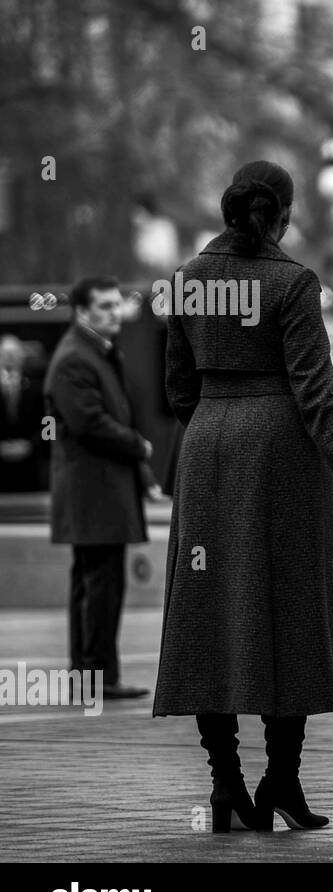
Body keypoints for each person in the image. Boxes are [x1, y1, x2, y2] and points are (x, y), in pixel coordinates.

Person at [152, 161, 333, 833]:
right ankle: (282, 781)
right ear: (284, 216)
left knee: (208, 618)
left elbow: (177, 389)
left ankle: (225, 787)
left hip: (207, 445)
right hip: (280, 453)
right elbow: (313, 390)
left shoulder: (187, 280)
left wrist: (212, 423)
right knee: (290, 611)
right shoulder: (292, 282)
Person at [45, 277, 157, 701]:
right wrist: (138, 445)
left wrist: (142, 473)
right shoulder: (77, 357)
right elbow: (88, 422)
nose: (115, 313)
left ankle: (90, 674)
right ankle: (97, 677)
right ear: (81, 311)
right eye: (105, 306)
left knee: (95, 584)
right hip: (94, 493)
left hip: (99, 492)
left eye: (116, 305)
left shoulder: (95, 353)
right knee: (100, 586)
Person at [0, 335, 46, 492]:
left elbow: (51, 423)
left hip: (32, 464)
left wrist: (33, 445)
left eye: (14, 353)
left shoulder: (39, 385)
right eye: (5, 353)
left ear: (22, 356)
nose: (10, 357)